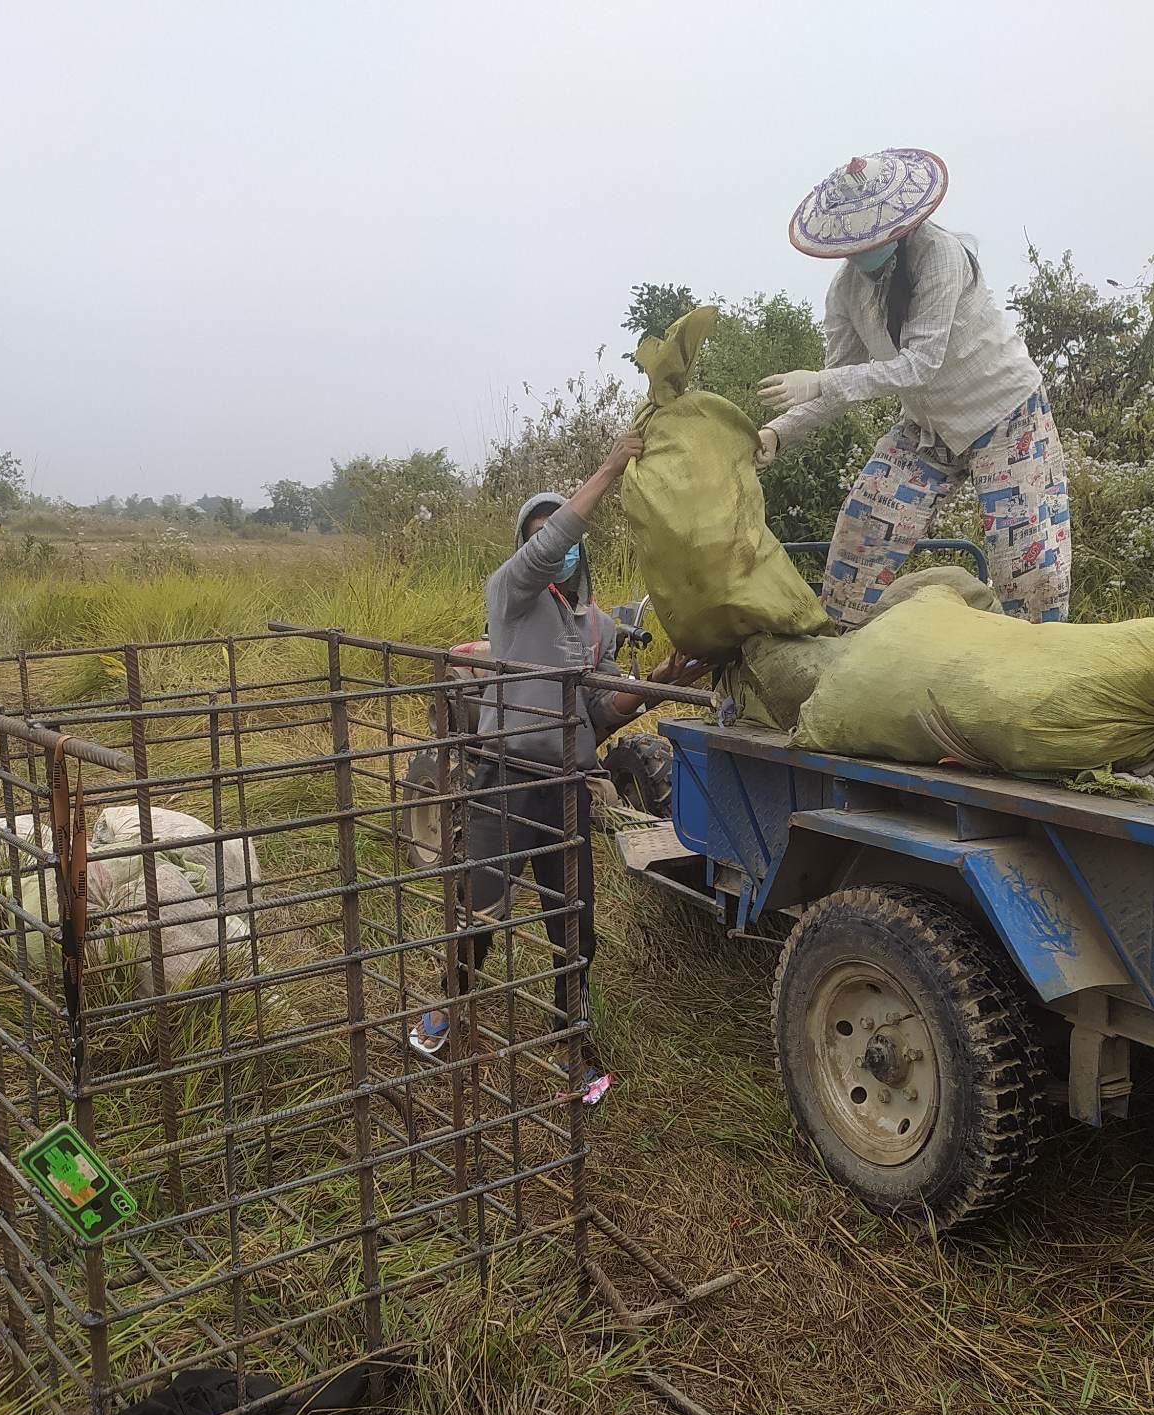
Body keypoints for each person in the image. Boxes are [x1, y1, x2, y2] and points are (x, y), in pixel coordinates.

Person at [409, 431, 699, 1103]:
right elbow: (546, 546)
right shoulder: (510, 594)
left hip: (568, 790)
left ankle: (571, 1045)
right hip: (506, 781)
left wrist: (658, 680)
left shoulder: (595, 625)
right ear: (526, 544)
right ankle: (445, 1008)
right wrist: (608, 469)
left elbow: (597, 714)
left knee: (575, 930)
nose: (556, 546)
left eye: (563, 537)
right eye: (541, 535)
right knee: (477, 910)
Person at [755, 148, 1071, 626]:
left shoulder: (940, 256)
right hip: (928, 428)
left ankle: (1039, 670)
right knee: (863, 527)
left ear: (897, 225)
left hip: (1006, 415)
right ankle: (839, 651)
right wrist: (777, 433)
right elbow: (838, 383)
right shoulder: (846, 292)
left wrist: (821, 380)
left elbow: (918, 366)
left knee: (1026, 564)